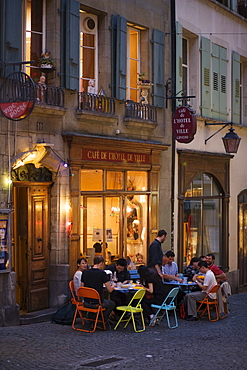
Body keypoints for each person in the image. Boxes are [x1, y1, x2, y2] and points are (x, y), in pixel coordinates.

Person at [81, 256, 115, 324]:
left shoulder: (85, 272)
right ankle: (102, 320)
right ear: (101, 263)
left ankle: (94, 318)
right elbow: (109, 290)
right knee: (112, 304)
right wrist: (113, 285)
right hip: (97, 303)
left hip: (86, 302)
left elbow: (81, 287)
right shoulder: (102, 273)